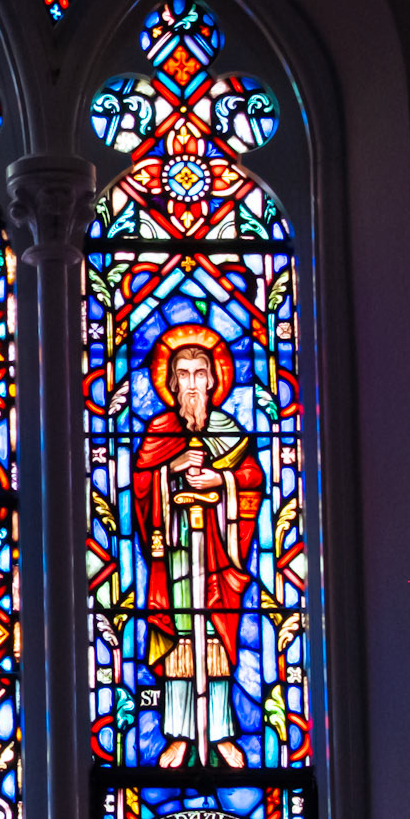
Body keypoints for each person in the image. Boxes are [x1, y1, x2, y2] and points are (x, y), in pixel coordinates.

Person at [130, 326, 265, 768]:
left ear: (213, 379)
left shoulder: (231, 431)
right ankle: (180, 734)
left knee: (216, 636)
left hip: (219, 554)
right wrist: (171, 469)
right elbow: (141, 486)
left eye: (199, 373)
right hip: (174, 554)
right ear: (171, 382)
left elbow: (253, 480)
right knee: (182, 634)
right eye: (182, 374)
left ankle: (222, 731)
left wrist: (220, 481)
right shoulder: (159, 430)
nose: (191, 383)